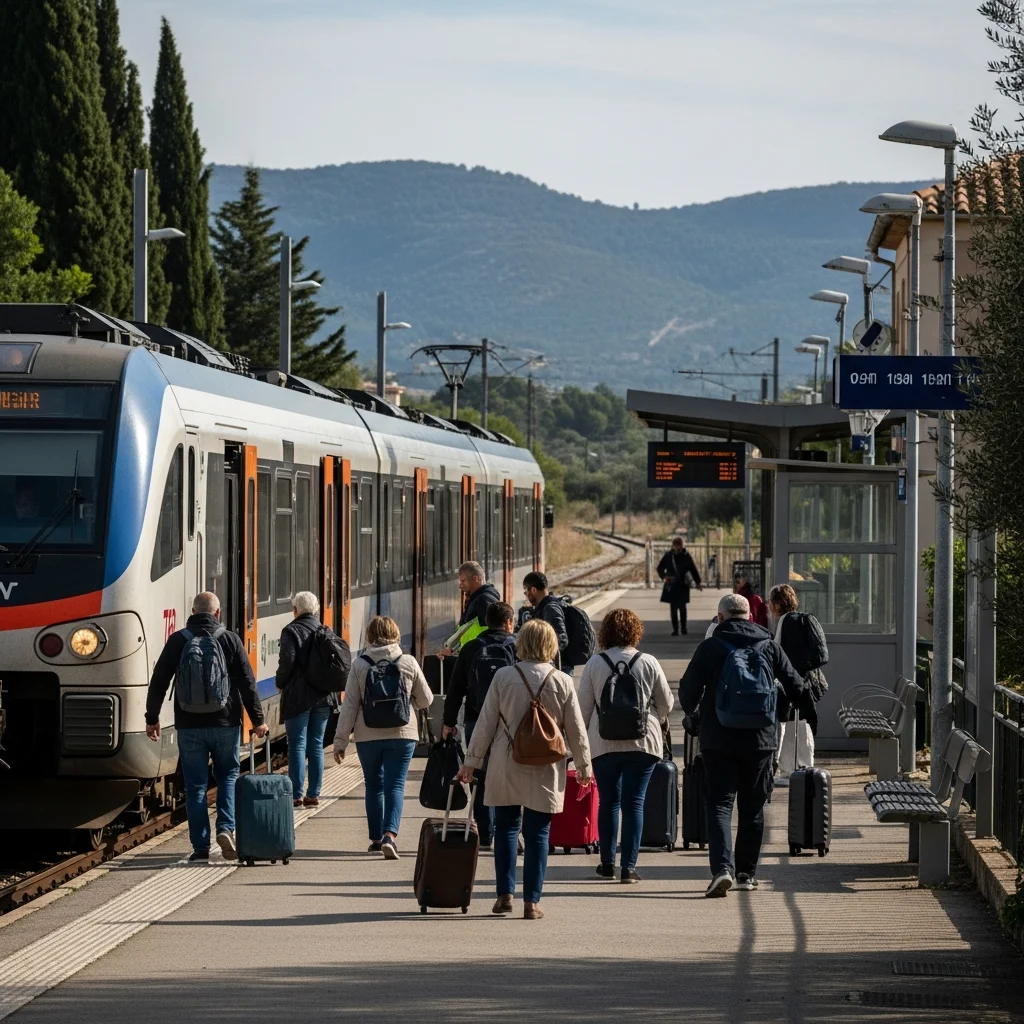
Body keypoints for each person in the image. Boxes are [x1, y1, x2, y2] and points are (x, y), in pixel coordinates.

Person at [456, 619, 592, 920]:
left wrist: (470, 763)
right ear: (551, 646)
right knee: (539, 833)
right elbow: (576, 729)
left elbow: (485, 723)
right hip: (547, 763)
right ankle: (532, 902)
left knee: (506, 828)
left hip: (506, 761)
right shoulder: (562, 681)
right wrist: (584, 766)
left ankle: (505, 894)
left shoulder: (504, 676)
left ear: (521, 643)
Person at [679, 592, 806, 897]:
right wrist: (780, 706)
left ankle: (722, 869)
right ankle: (746, 874)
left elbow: (687, 693)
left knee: (719, 805)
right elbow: (797, 686)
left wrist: (696, 713)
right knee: (752, 808)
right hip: (760, 741)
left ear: (720, 617)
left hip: (718, 738)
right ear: (750, 617)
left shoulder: (710, 647)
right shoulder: (769, 646)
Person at [146, 591, 268, 862]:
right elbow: (247, 683)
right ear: (217, 613)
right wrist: (258, 720)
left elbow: (159, 681)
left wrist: (151, 718)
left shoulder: (178, 640)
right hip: (225, 723)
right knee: (227, 776)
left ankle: (200, 848)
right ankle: (226, 828)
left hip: (189, 725)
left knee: (195, 786)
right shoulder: (230, 639)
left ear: (192, 612)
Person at [577, 608, 673, 883]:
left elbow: (583, 710)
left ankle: (607, 864)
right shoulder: (648, 662)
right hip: (643, 742)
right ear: (635, 632)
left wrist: (579, 747)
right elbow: (666, 703)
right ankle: (628, 868)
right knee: (634, 803)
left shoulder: (595, 664)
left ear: (605, 633)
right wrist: (655, 715)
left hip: (603, 742)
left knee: (609, 801)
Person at [333, 615, 432, 859]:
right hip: (403, 734)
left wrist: (340, 741)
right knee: (395, 784)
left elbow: (350, 706)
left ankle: (376, 839)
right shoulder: (407, 661)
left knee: (373, 786)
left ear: (370, 636)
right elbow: (426, 699)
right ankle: (390, 836)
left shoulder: (360, 665)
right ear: (395, 634)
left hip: (367, 735)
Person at [441, 600, 517, 848]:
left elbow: (456, 688)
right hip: (512, 722)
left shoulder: (472, 647)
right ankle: (510, 831)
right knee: (511, 774)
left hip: (477, 718)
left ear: (486, 622)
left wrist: (448, 722)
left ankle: (485, 834)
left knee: (481, 775)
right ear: (509, 623)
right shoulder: (517, 646)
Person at [276, 591, 349, 809]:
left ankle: (296, 795)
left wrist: (280, 681)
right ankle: (313, 795)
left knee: (297, 745)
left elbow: (287, 660)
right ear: (316, 610)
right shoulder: (324, 630)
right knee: (316, 745)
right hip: (323, 697)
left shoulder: (290, 630)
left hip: (298, 698)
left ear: (295, 610)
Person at [768, 584, 828, 781]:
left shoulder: (786, 621)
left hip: (792, 682)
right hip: (806, 680)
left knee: (789, 725)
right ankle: (805, 766)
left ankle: (790, 771)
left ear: (778, 603)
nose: (769, 606)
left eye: (771, 602)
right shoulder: (800, 619)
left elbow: (779, 653)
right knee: (802, 725)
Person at [438, 561, 501, 656]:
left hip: (478, 655)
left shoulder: (483, 601)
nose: (460, 585)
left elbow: (492, 633)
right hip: (473, 653)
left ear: (475, 579)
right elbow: (467, 630)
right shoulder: (478, 598)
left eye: (463, 581)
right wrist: (453, 649)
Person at [522, 570, 570, 669]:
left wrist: (543, 655)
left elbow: (562, 639)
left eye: (526, 592)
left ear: (533, 590)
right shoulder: (544, 607)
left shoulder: (550, 609)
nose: (527, 596)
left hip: (558, 667)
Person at [657, 537, 701, 635]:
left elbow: (693, 569)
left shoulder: (685, 555)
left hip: (682, 584)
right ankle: (677, 629)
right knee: (675, 608)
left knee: (681, 608)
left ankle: (682, 628)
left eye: (680, 546)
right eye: (677, 546)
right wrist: (665, 577)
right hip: (673, 584)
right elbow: (660, 568)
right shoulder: (669, 556)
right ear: (673, 546)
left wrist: (698, 582)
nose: (679, 548)